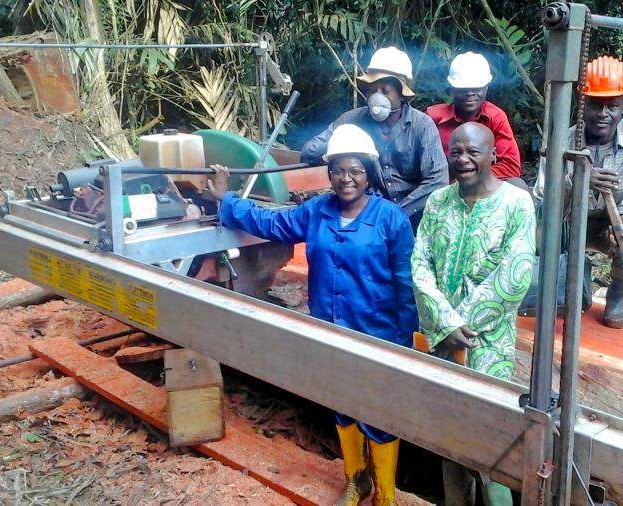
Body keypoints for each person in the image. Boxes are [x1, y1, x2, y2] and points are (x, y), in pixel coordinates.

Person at [210, 124, 416, 506]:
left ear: (369, 173)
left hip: (379, 335)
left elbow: (406, 283)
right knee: (342, 405)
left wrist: (404, 341)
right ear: (329, 173)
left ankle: (386, 495)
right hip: (330, 331)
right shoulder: (316, 211)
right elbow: (272, 223)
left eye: (354, 170)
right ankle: (357, 480)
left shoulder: (391, 220)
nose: (345, 178)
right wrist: (227, 201)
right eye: (338, 170)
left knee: (380, 415)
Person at [411, 122, 536, 505]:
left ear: (493, 155)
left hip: (489, 342)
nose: (463, 159)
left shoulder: (516, 204)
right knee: (450, 436)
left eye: (473, 152)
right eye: (456, 152)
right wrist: (446, 323)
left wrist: (464, 324)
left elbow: (516, 273)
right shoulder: (438, 202)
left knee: (491, 439)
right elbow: (420, 264)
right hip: (442, 339)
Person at [535, 55, 623, 329]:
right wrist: (579, 180)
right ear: (582, 104)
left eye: (612, 106)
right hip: (566, 220)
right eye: (596, 105)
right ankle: (566, 288)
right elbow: (543, 193)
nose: (604, 114)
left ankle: (618, 298)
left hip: (609, 222)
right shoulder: (561, 141)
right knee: (536, 239)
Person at [301, 46, 448, 228]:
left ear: (402, 95)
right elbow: (309, 152)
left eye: (385, 91)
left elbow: (437, 181)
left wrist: (395, 214)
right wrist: (341, 137)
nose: (376, 97)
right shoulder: (352, 119)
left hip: (413, 217)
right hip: (367, 216)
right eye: (372, 91)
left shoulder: (421, 125)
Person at [426, 51, 523, 187]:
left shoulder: (494, 117)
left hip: (483, 185)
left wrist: (469, 180)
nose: (470, 94)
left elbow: (511, 165)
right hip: (443, 184)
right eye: (463, 89)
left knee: (518, 185)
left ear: (486, 88)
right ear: (452, 90)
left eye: (476, 88)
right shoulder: (433, 117)